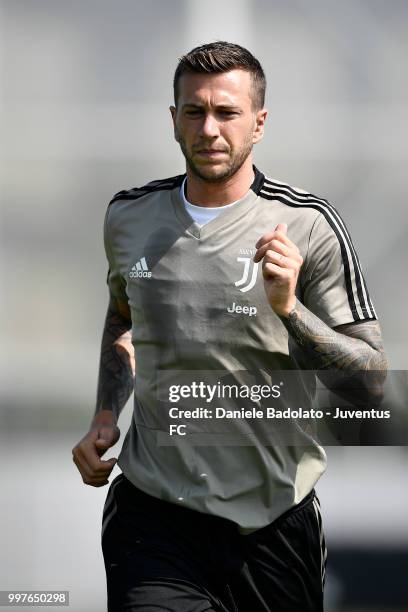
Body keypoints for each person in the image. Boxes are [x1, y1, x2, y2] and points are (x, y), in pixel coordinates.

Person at [72, 41, 387, 611]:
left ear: (259, 123)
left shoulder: (307, 226)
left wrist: (291, 310)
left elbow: (369, 382)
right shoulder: (128, 217)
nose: (209, 128)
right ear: (173, 120)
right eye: (194, 111)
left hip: (272, 526)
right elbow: (123, 317)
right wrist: (103, 414)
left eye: (227, 112)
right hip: (153, 515)